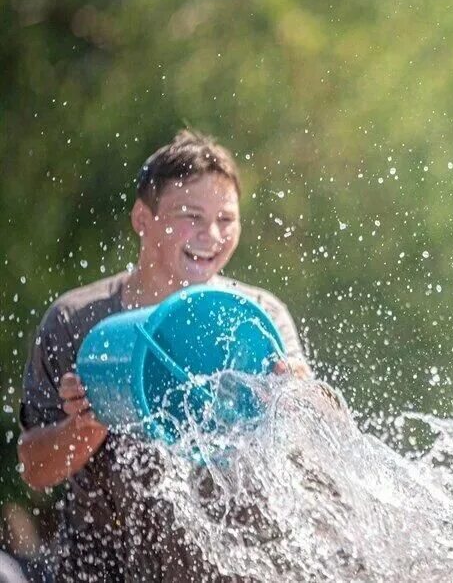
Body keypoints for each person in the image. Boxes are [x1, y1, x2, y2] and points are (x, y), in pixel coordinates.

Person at [17, 129, 311, 581]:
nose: (211, 236)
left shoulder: (259, 319)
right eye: (191, 216)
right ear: (142, 217)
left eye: (226, 219)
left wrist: (299, 403)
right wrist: (85, 425)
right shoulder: (76, 320)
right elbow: (34, 470)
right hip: (102, 572)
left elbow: (303, 450)